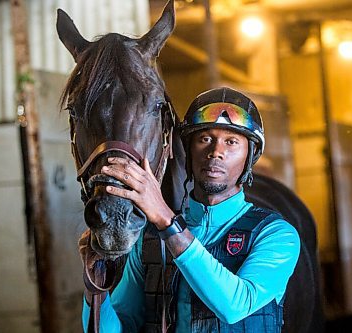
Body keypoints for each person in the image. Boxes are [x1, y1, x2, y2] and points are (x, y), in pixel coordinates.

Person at [80, 87, 300, 332]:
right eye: (205, 139)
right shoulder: (150, 241)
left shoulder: (276, 235)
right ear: (188, 150)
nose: (216, 152)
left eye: (231, 142)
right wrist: (94, 286)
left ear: (250, 156)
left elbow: (235, 306)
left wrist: (165, 219)